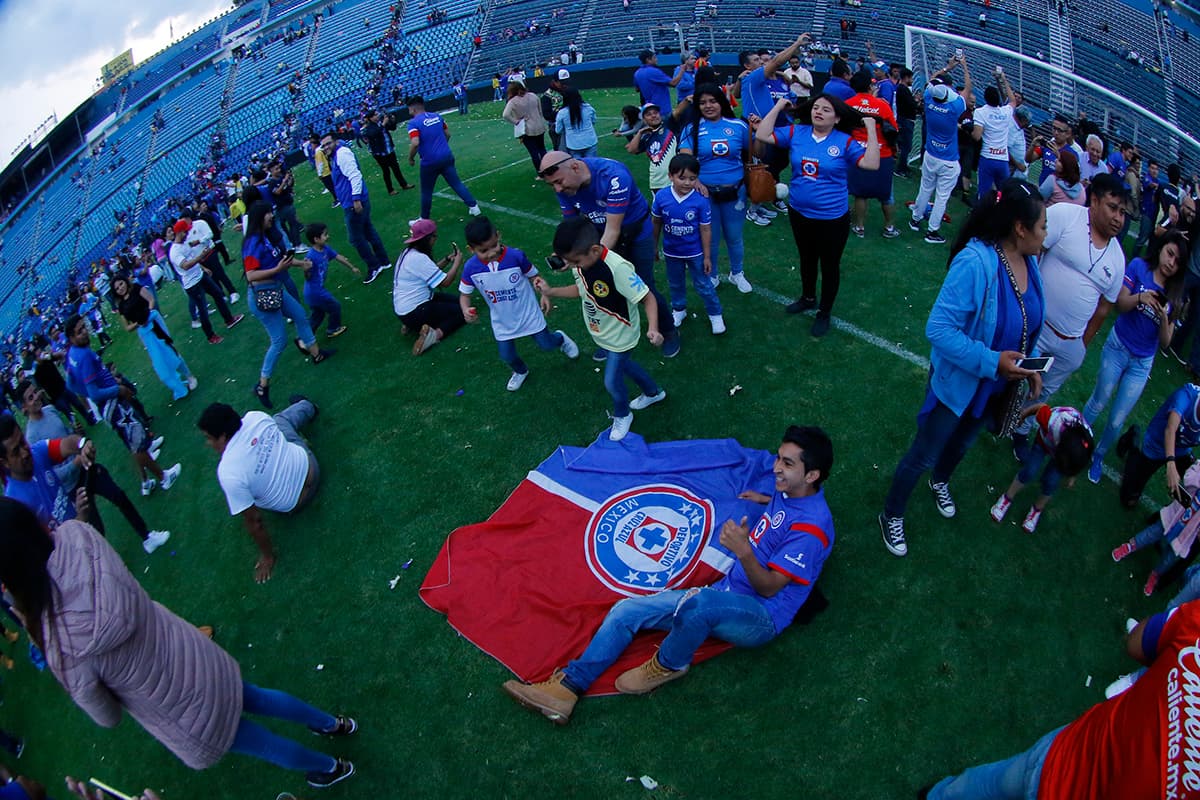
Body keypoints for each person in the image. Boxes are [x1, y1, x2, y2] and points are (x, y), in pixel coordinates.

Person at [0, 499, 356, 788]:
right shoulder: (78, 534)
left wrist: (35, 628)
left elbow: (107, 717)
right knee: (258, 697)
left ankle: (332, 767)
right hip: (190, 651)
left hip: (179, 708)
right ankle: (334, 723)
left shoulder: (60, 648)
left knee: (262, 743)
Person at [502, 425, 835, 722]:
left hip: (761, 615)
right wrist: (764, 498)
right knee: (627, 610)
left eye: (787, 464)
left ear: (812, 476)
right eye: (778, 458)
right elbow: (781, 502)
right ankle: (567, 688)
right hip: (727, 591)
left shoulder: (811, 530)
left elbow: (769, 589)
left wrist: (744, 551)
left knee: (701, 606)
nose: (776, 468)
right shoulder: (789, 491)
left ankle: (669, 664)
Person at [880, 181, 1047, 557]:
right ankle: (891, 513)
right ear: (1020, 228)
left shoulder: (1031, 262)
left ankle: (940, 480)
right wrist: (993, 361)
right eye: (1043, 227)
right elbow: (938, 330)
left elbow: (1027, 322)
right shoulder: (975, 262)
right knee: (924, 453)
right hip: (960, 383)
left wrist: (1031, 364)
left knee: (963, 443)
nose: (1046, 235)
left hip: (993, 388)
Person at [922, 601, 1200, 799]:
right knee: (997, 782)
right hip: (1065, 757)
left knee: (993, 783)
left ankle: (937, 795)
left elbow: (1137, 642)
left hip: (1066, 755)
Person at [1010, 173, 1128, 455]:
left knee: (1043, 390)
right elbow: (1031, 252)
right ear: (1095, 201)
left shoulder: (1118, 258)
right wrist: (1026, 305)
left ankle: (1020, 430)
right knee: (1014, 373)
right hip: (1038, 327)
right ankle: (993, 412)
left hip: (1070, 344)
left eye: (1123, 213)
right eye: (1113, 208)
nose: (1118, 218)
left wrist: (1081, 344)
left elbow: (1104, 307)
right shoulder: (1065, 216)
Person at [759, 93, 880, 337]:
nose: (818, 112)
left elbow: (871, 164)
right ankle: (807, 298)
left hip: (832, 218)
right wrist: (779, 105)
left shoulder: (844, 142)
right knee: (806, 258)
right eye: (816, 107)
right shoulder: (797, 132)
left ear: (837, 118)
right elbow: (762, 134)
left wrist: (870, 128)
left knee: (829, 265)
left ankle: (824, 312)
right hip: (799, 212)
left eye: (826, 110)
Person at [534, 218, 665, 441]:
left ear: (594, 250)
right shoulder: (581, 262)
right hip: (603, 334)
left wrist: (653, 328)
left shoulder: (617, 269)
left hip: (621, 337)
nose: (571, 266)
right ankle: (654, 392)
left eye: (574, 261)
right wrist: (551, 291)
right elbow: (582, 290)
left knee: (611, 381)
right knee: (626, 366)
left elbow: (648, 297)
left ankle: (623, 415)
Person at [537, 152, 680, 357]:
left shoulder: (614, 176)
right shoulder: (563, 186)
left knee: (644, 285)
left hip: (634, 234)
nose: (558, 189)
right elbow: (572, 225)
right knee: (601, 286)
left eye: (559, 182)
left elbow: (613, 230)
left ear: (575, 167)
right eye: (552, 185)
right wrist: (566, 253)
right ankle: (613, 340)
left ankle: (668, 330)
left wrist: (590, 260)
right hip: (599, 234)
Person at [1082, 231, 1187, 484]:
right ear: (1161, 248)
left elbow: (1166, 342)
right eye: (1170, 254)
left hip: (1141, 363)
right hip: (1118, 347)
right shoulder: (1139, 267)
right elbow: (1119, 304)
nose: (1171, 262)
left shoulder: (1175, 296)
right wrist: (1141, 297)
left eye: (1177, 261)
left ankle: (1098, 455)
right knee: (1099, 400)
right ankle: (1076, 438)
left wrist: (1164, 318)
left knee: (1117, 420)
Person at [4, 396, 170, 553]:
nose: (24, 452)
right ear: (3, 461)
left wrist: (82, 444)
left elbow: (67, 442)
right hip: (73, 536)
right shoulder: (16, 504)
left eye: (23, 443)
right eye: (15, 451)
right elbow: (48, 551)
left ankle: (147, 537)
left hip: (86, 472)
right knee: (97, 532)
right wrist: (80, 518)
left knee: (118, 496)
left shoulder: (37, 450)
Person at [64, 315, 181, 498]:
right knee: (137, 445)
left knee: (131, 442)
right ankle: (164, 478)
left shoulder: (72, 354)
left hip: (106, 406)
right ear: (71, 337)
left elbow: (70, 384)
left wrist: (90, 391)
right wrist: (118, 389)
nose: (85, 332)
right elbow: (94, 393)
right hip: (112, 404)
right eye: (79, 332)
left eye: (84, 327)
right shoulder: (84, 355)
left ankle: (145, 482)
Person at [459, 216, 579, 391]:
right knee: (507, 356)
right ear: (471, 249)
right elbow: (464, 295)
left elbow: (534, 277)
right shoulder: (471, 268)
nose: (491, 253)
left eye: (494, 245)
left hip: (528, 313)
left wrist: (544, 294)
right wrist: (465, 309)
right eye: (483, 250)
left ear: (498, 236)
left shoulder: (515, 256)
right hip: (502, 321)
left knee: (546, 344)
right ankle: (520, 371)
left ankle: (560, 338)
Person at [242, 203, 336, 410]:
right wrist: (277, 269)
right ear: (259, 217)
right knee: (279, 341)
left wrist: (301, 264)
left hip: (275, 290)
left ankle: (317, 354)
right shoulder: (252, 243)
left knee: (300, 315)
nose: (272, 216)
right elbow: (251, 275)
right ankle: (262, 385)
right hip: (263, 296)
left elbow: (281, 260)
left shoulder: (266, 236)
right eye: (268, 213)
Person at [680, 85, 754, 293]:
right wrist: (695, 181)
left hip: (735, 193)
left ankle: (737, 273)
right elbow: (684, 159)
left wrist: (755, 131)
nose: (708, 106)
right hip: (705, 194)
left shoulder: (738, 125)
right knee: (709, 237)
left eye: (712, 101)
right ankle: (711, 274)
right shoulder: (692, 128)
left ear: (722, 102)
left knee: (734, 236)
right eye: (703, 102)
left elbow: (755, 152)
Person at [989, 404, 1094, 533]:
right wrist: (1023, 415)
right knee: (1030, 470)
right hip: (1045, 440)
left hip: (1064, 450)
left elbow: (1079, 462)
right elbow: (1040, 407)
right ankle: (1007, 497)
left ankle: (1037, 509)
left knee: (1052, 481)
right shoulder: (1052, 421)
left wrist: (1072, 475)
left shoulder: (1085, 448)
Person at [651, 154, 724, 335]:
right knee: (675, 283)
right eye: (682, 178)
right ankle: (679, 309)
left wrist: (707, 257)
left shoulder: (701, 200)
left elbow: (705, 229)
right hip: (672, 252)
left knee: (703, 284)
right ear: (670, 176)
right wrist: (653, 246)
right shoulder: (661, 197)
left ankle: (715, 314)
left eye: (692, 178)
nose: (687, 183)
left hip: (695, 253)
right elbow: (656, 222)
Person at [1113, 460, 1200, 596]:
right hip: (1174, 516)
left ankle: (1155, 574)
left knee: (1170, 558)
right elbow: (1188, 476)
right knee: (1152, 533)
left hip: (1187, 534)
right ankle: (1130, 546)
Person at [908, 59, 972, 244]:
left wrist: (947, 67)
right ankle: (932, 231)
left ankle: (915, 219)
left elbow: (931, 81)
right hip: (948, 160)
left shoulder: (928, 99)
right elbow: (968, 88)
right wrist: (963, 65)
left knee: (925, 188)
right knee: (942, 197)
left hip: (930, 154)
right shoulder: (954, 107)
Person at [319, 130, 391, 285]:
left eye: (328, 144)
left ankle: (374, 266)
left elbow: (355, 175)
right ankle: (383, 261)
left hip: (353, 203)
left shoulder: (342, 154)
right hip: (354, 201)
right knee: (368, 230)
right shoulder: (336, 155)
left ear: (336, 141)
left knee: (356, 239)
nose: (326, 148)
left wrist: (356, 199)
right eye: (323, 146)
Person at [111, 274, 195, 402]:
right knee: (159, 359)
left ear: (125, 282)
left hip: (154, 322)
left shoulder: (136, 288)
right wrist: (139, 323)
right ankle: (177, 384)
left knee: (169, 349)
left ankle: (189, 376)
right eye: (117, 288)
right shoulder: (121, 306)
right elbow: (127, 327)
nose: (120, 288)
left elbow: (151, 300)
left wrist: (146, 315)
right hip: (144, 331)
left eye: (121, 284)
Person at [1118, 383, 1200, 509]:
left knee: (1194, 484)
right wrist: (1171, 464)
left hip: (1182, 448)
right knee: (1128, 500)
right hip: (1158, 442)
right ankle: (1134, 438)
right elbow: (1170, 429)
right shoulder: (1186, 396)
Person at [393, 219, 466, 356]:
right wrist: (457, 262)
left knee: (461, 302)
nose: (435, 239)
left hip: (406, 308)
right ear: (427, 239)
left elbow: (430, 273)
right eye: (434, 236)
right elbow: (445, 282)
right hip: (416, 310)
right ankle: (433, 335)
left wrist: (447, 259)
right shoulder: (419, 259)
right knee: (463, 311)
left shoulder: (408, 253)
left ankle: (411, 325)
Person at [405, 95, 482, 222]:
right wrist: (442, 147)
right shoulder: (437, 116)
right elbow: (448, 134)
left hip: (429, 161)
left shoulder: (413, 123)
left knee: (426, 191)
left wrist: (410, 158)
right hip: (446, 156)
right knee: (456, 183)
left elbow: (415, 143)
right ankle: (474, 207)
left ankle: (424, 218)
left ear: (413, 109)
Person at [168, 220, 242, 344]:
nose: (187, 234)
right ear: (179, 232)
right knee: (202, 310)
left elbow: (191, 257)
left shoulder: (185, 243)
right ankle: (210, 336)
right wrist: (201, 256)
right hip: (192, 284)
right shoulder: (174, 251)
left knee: (218, 294)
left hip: (200, 276)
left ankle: (229, 319)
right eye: (186, 232)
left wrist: (203, 268)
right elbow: (186, 265)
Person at [846, 73, 900, 239]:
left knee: (860, 193)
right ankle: (889, 227)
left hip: (857, 154)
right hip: (881, 154)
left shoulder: (848, 104)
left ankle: (859, 226)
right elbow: (894, 130)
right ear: (870, 86)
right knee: (886, 195)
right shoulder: (882, 105)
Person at [302, 222, 361, 339]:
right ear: (316, 239)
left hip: (313, 291)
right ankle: (333, 329)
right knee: (335, 306)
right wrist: (306, 270)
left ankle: (306, 337)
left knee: (318, 314)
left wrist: (352, 267)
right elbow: (308, 277)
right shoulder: (311, 256)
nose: (328, 236)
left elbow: (338, 257)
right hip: (315, 291)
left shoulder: (325, 249)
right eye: (325, 235)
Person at [970, 70, 1017, 200]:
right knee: (1004, 196)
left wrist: (968, 129)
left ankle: (981, 212)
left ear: (985, 98)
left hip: (987, 158)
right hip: (1002, 160)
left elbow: (977, 136)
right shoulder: (1005, 112)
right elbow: (1013, 101)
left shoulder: (980, 112)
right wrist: (1003, 78)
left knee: (984, 195)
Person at [627, 101, 686, 193]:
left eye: (655, 113)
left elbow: (678, 111)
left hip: (676, 178)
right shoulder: (646, 136)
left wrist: (686, 100)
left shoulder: (668, 125)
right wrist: (639, 133)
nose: (653, 116)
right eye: (649, 114)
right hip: (656, 182)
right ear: (644, 120)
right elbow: (631, 150)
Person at [361, 109, 413, 195]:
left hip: (389, 149)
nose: (377, 116)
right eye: (375, 115)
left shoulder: (380, 123)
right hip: (380, 153)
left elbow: (393, 128)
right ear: (370, 118)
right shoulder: (369, 127)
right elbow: (374, 134)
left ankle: (404, 185)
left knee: (396, 168)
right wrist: (383, 124)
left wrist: (393, 120)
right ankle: (390, 189)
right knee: (386, 171)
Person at [502, 80, 548, 170]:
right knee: (542, 149)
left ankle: (541, 171)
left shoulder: (513, 102)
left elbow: (505, 115)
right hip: (539, 126)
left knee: (534, 152)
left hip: (526, 129)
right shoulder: (533, 96)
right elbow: (540, 111)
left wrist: (516, 121)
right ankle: (548, 168)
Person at [632, 50, 682, 115]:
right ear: (648, 60)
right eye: (654, 57)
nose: (656, 59)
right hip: (662, 109)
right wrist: (682, 70)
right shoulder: (654, 71)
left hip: (649, 109)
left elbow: (637, 89)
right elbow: (673, 83)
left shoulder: (637, 73)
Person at [554, 89, 599, 159]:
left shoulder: (562, 113)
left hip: (573, 145)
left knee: (578, 165)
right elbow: (593, 121)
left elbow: (558, 130)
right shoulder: (588, 108)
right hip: (590, 141)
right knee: (591, 163)